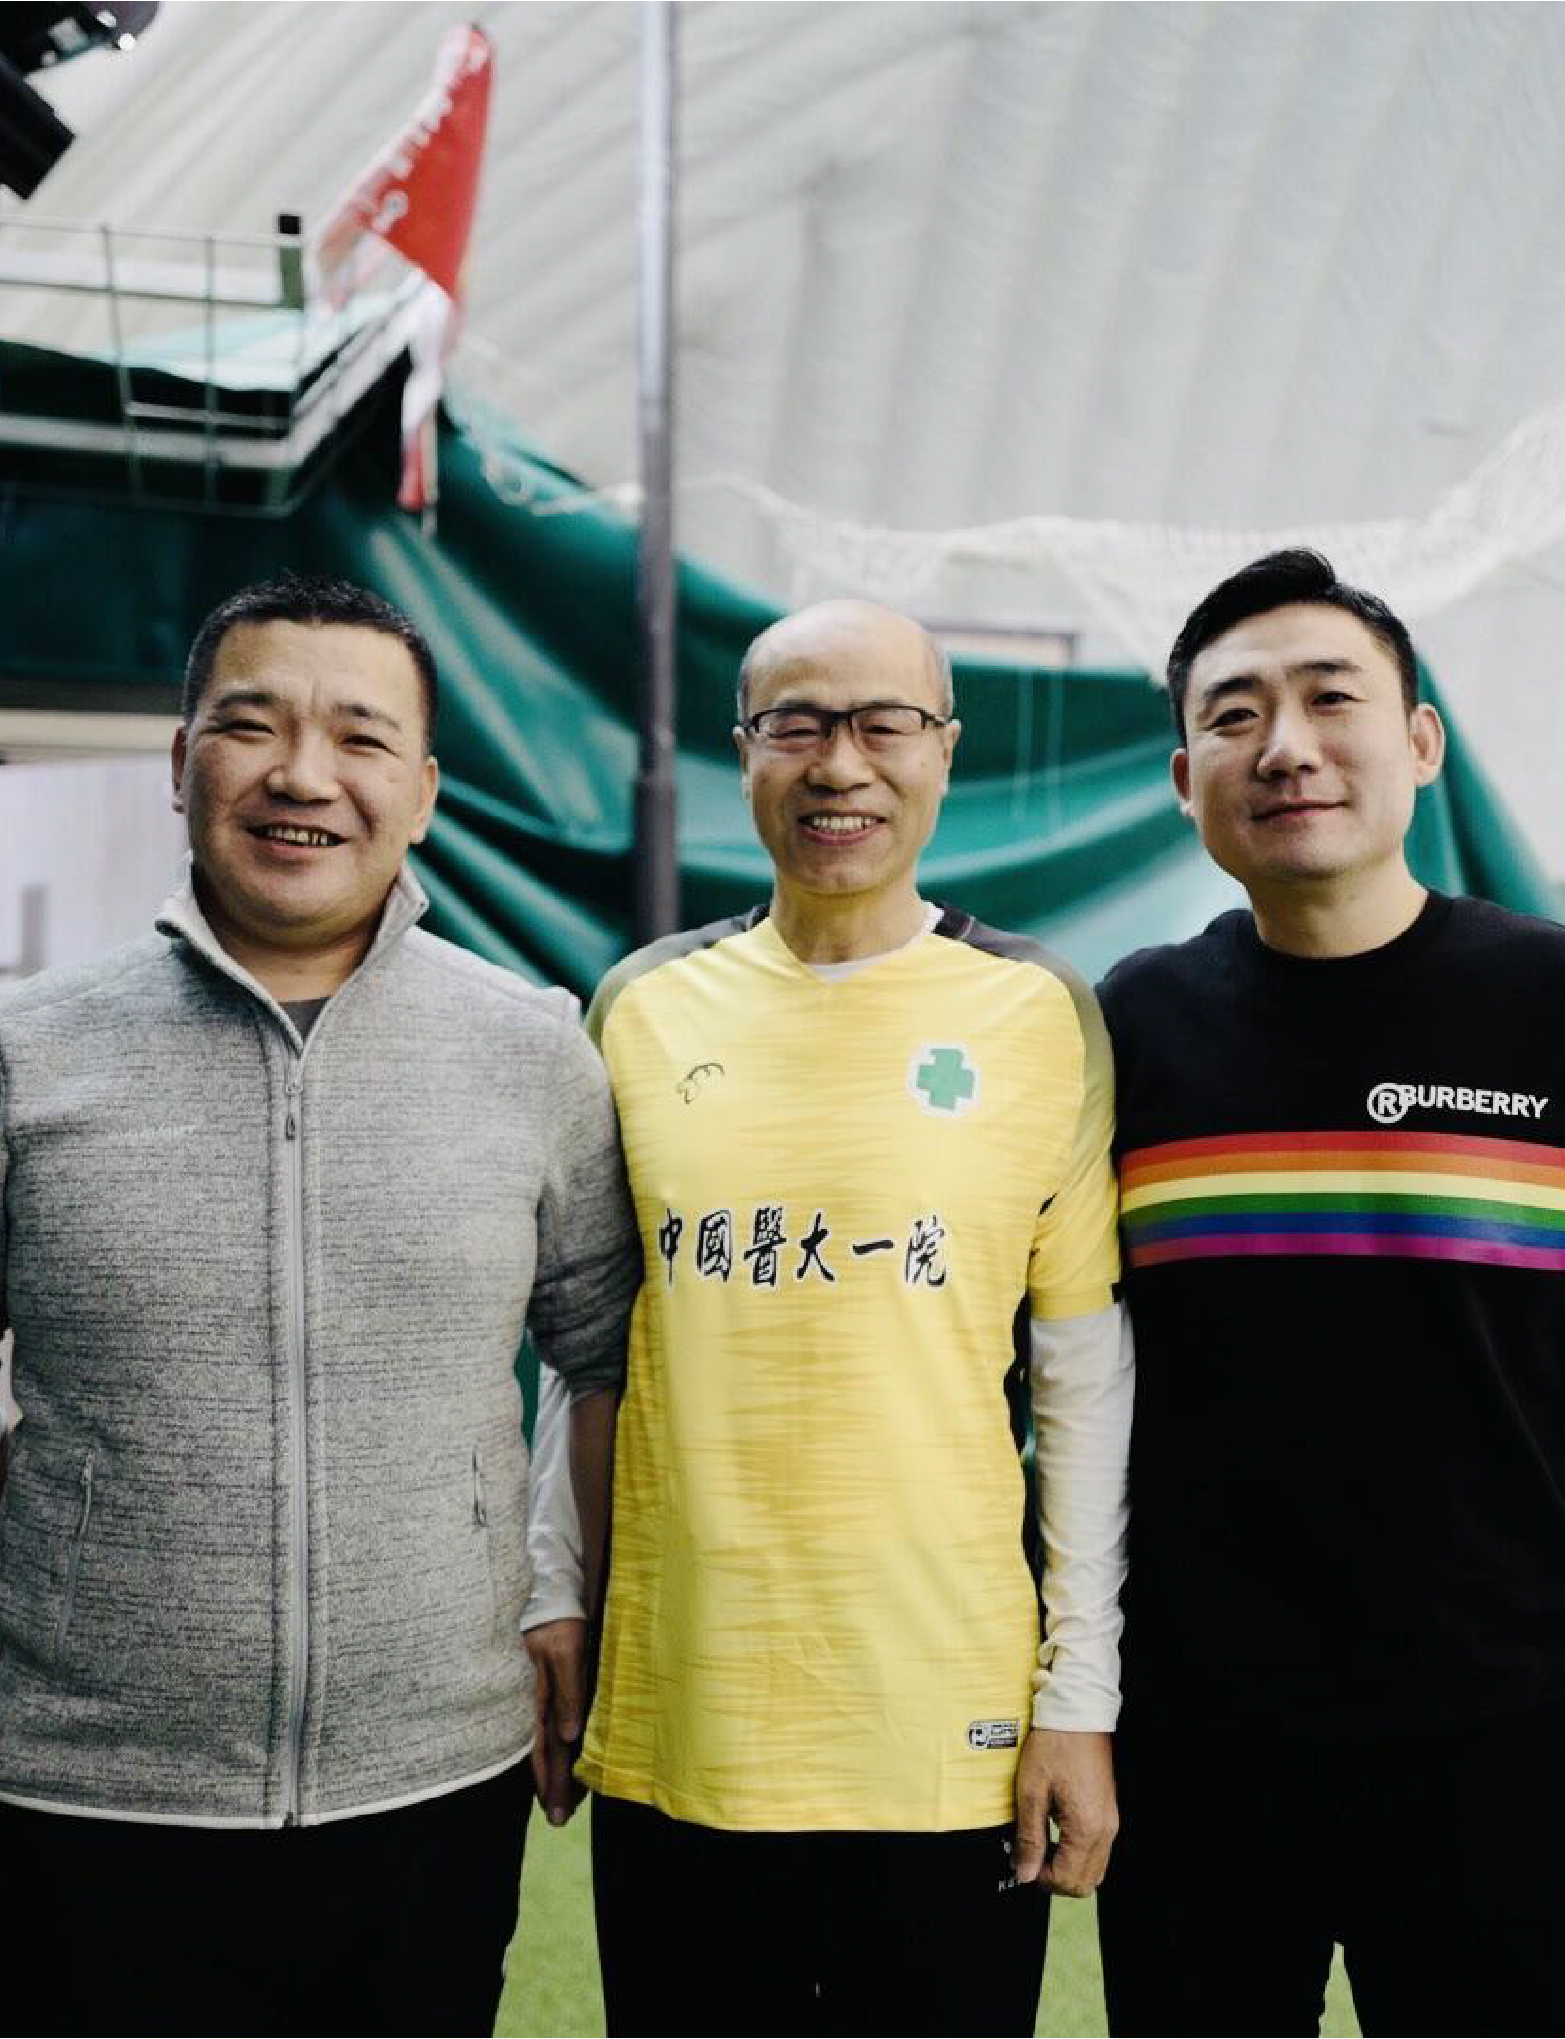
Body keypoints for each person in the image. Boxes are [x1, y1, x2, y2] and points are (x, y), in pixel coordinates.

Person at [0, 572, 638, 2036]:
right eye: (253, 727)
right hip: (99, 1798)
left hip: (437, 1785)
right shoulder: (19, 1053)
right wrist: (79, 1533)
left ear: (424, 793)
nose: (305, 775)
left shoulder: (530, 1051)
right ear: (182, 762)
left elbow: (608, 1349)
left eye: (362, 738)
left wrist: (562, 1589)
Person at [1091, 550, 1565, 2037]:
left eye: (1332, 700)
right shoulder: (1133, 1023)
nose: (1287, 747)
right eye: (1236, 715)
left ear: (1422, 743)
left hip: (1493, 1728)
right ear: (1185, 779)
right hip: (1196, 1740)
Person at [562, 599, 1134, 2036]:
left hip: (945, 1719)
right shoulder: (642, 1008)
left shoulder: (1037, 1010)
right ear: (741, 750)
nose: (841, 765)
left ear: (945, 751)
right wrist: (551, 1598)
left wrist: (1080, 1695)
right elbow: (587, 1351)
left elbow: (1082, 1382)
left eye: (886, 725)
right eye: (798, 725)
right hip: (685, 1706)